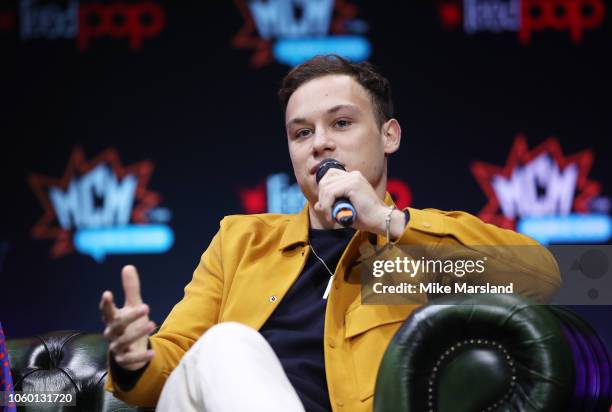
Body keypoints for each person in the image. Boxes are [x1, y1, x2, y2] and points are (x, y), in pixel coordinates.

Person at [100, 55, 560, 412]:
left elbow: (549, 279)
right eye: (301, 133)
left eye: (341, 123)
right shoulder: (241, 241)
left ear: (389, 136)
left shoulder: (414, 249)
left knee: (227, 344)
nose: (319, 142)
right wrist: (133, 358)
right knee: (225, 346)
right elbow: (180, 363)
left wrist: (386, 222)